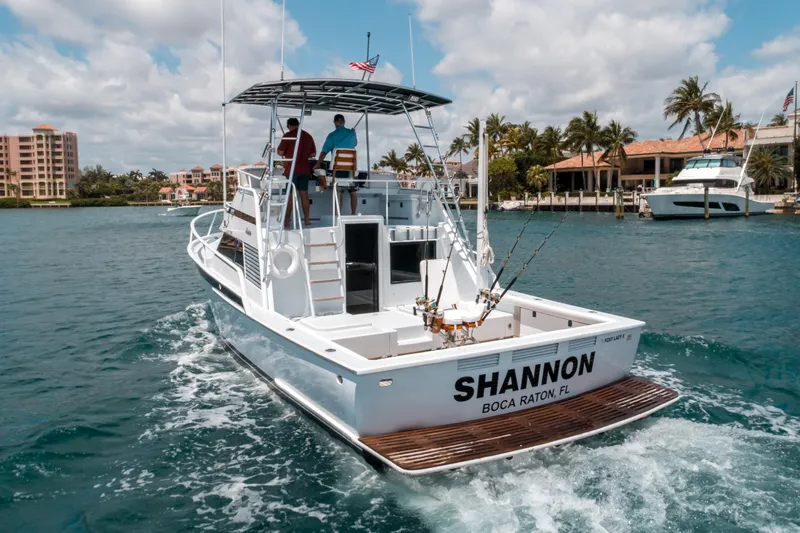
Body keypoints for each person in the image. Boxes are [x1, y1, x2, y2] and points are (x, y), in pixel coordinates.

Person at [314, 114, 358, 214]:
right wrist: (353, 132)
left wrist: (317, 164)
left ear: (335, 122)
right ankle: (354, 214)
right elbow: (355, 144)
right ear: (344, 121)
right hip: (351, 170)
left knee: (339, 190)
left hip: (337, 170)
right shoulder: (352, 133)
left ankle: (338, 215)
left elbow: (324, 152)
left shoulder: (332, 135)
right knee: (353, 191)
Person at [277, 118, 316, 227]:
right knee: (304, 194)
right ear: (298, 125)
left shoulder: (288, 135)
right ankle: (307, 220)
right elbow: (313, 153)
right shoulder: (308, 136)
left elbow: (280, 151)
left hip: (291, 169)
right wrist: (304, 156)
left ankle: (287, 221)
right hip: (304, 169)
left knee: (289, 195)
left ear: (289, 125)